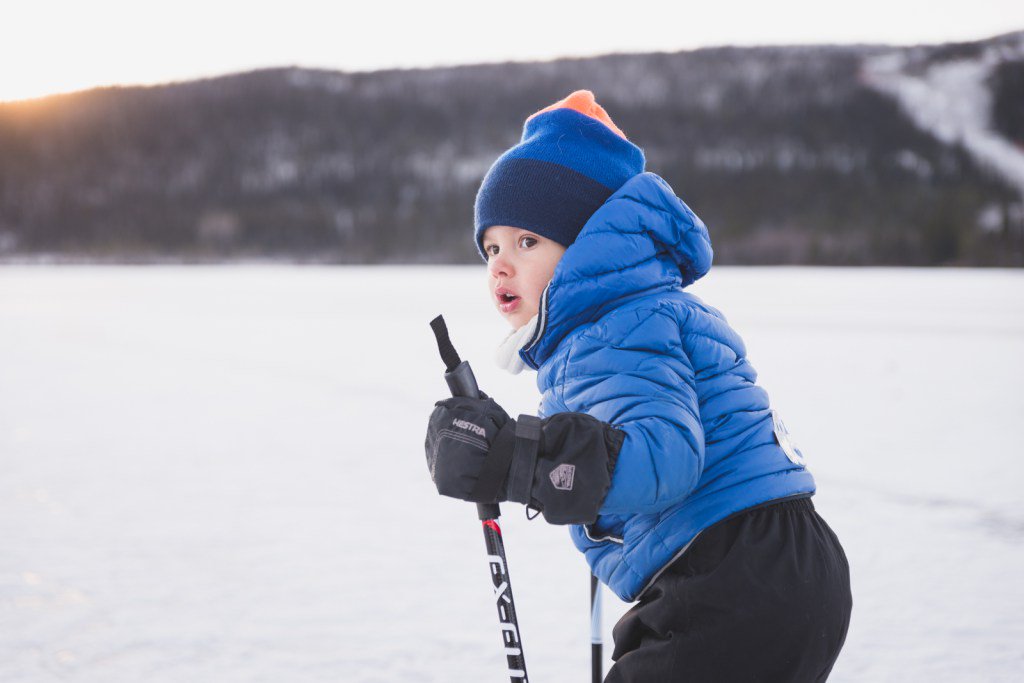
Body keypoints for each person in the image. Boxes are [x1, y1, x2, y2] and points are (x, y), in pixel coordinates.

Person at [424, 89, 852, 682]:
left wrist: (517, 460)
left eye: (527, 242)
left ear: (586, 245)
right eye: (491, 247)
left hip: (736, 575)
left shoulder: (618, 326)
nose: (500, 263)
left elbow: (664, 458)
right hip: (770, 568)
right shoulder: (626, 316)